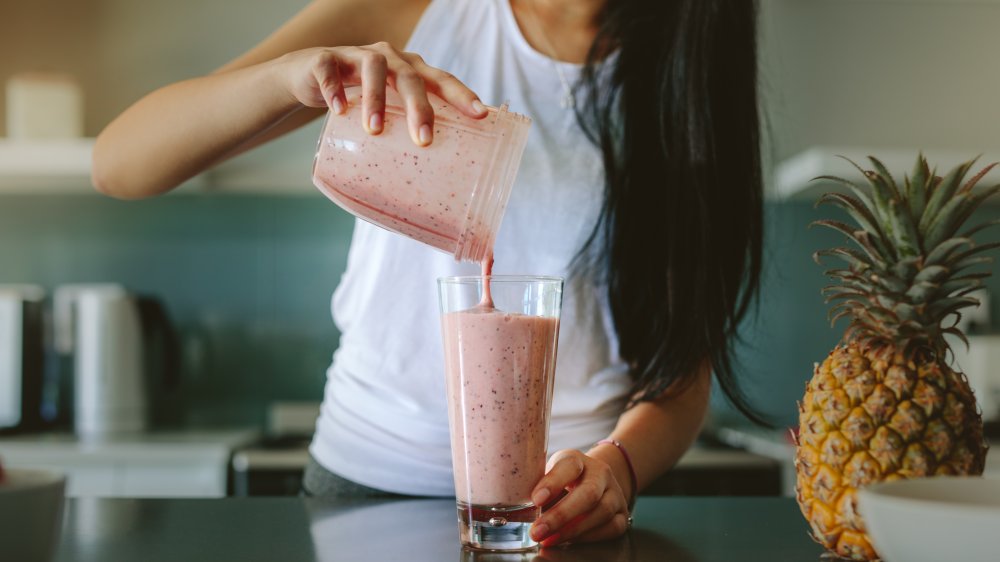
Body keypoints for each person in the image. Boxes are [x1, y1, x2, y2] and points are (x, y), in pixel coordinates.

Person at [93, 0, 765, 547]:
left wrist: (617, 467)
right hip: (362, 493)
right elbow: (121, 164)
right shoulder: (417, 15)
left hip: (557, 517)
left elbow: (683, 372)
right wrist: (291, 76)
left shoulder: (687, 79)